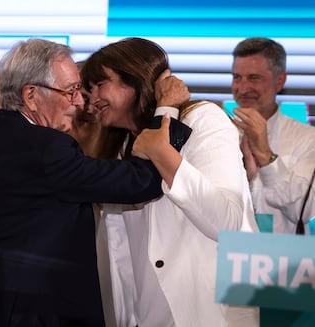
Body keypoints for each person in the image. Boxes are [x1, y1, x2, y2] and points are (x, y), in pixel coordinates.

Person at [0, 38, 191, 327]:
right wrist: (167, 111)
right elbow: (143, 181)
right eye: (70, 91)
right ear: (31, 95)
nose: (79, 102)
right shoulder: (47, 148)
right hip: (33, 315)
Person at [80, 37, 259, 326]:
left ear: (135, 79)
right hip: (148, 316)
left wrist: (162, 152)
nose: (92, 98)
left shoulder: (202, 119)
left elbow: (226, 222)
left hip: (209, 313)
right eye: (88, 90)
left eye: (100, 84)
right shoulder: (119, 146)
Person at [231, 37, 315, 234]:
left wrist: (266, 157)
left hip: (280, 262)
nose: (242, 89)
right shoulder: (220, 135)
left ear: (280, 81)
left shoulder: (308, 139)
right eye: (237, 77)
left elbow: (305, 211)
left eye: (253, 78)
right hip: (221, 256)